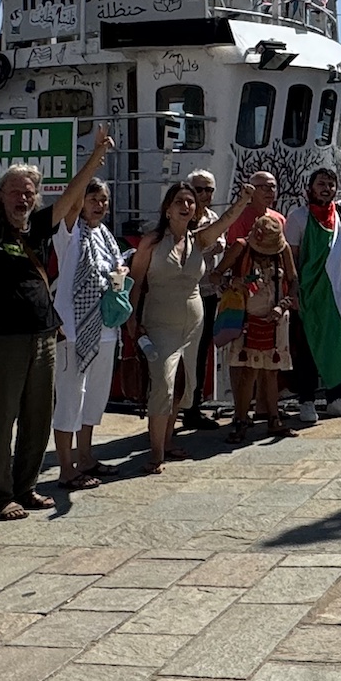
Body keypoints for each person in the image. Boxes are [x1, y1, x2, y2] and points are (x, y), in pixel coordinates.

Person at [0, 128, 113, 521]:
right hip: (3, 338)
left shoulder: (40, 226)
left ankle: (25, 486)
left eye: (29, 191)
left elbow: (71, 198)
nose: (23, 198)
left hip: (42, 334)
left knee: (37, 416)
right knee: (0, 420)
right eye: (15, 191)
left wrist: (96, 157)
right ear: (1, 196)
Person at [129, 180, 237, 474]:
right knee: (163, 382)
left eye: (190, 202)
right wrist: (131, 318)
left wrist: (242, 200)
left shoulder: (198, 240)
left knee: (184, 385)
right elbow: (136, 282)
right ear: (167, 208)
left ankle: (166, 441)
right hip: (160, 321)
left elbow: (227, 221)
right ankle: (155, 452)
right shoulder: (151, 241)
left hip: (194, 321)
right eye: (180, 201)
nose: (186, 206)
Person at [52, 176, 126, 490]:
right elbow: (69, 202)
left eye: (103, 200)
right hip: (73, 328)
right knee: (70, 398)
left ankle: (86, 456)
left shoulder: (105, 236)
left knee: (94, 399)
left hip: (105, 327)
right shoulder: (69, 232)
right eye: (92, 199)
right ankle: (65, 467)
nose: (99, 205)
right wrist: (96, 156)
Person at [285, 164, 341, 422]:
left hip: (338, 295)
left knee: (338, 344)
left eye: (330, 185)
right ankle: (307, 402)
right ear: (310, 188)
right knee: (307, 347)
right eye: (321, 184)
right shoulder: (297, 217)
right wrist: (294, 292)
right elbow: (291, 259)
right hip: (310, 293)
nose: (326, 189)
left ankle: (336, 400)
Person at [223, 212, 300, 440]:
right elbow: (216, 275)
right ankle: (241, 418)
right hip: (247, 320)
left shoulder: (283, 249)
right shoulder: (241, 248)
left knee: (272, 371)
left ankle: (273, 418)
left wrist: (283, 305)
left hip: (276, 318)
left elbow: (293, 280)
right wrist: (232, 282)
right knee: (248, 372)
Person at [185, 169, 226, 433]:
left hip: (207, 293)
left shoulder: (212, 218)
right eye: (200, 189)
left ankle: (193, 408)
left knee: (200, 353)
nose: (205, 195)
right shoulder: (181, 217)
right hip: (182, 294)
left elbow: (218, 243)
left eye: (209, 190)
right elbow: (200, 244)